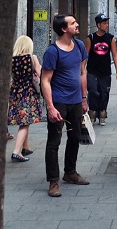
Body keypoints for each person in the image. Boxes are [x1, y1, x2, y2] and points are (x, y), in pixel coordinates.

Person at [41, 14, 90, 198]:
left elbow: (82, 72)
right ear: (63, 29)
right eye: (73, 23)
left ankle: (70, 172)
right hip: (59, 101)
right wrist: (50, 107)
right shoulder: (52, 52)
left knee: (75, 137)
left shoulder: (78, 46)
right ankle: (53, 180)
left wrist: (84, 98)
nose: (77, 25)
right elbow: (45, 80)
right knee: (54, 141)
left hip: (76, 100)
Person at [8, 35, 42, 162]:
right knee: (25, 123)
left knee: (23, 120)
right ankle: (16, 152)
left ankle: (25, 147)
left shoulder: (12, 60)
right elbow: (40, 73)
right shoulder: (32, 58)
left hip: (16, 94)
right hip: (28, 93)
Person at [85, 13, 117, 126]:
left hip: (105, 71)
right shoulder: (91, 38)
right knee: (93, 91)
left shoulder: (110, 38)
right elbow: (86, 55)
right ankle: (92, 113)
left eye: (107, 23)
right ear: (98, 25)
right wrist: (82, 70)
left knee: (104, 93)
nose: (107, 25)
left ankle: (102, 114)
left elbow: (114, 55)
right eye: (104, 23)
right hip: (92, 70)